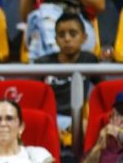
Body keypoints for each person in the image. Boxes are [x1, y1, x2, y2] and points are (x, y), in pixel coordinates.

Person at [34, 12, 99, 143]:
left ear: (84, 38)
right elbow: (32, 100)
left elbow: (103, 90)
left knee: (89, 128)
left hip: (77, 119)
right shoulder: (42, 64)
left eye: (73, 34)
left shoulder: (89, 60)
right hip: (49, 118)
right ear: (56, 39)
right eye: (61, 35)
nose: (67, 39)